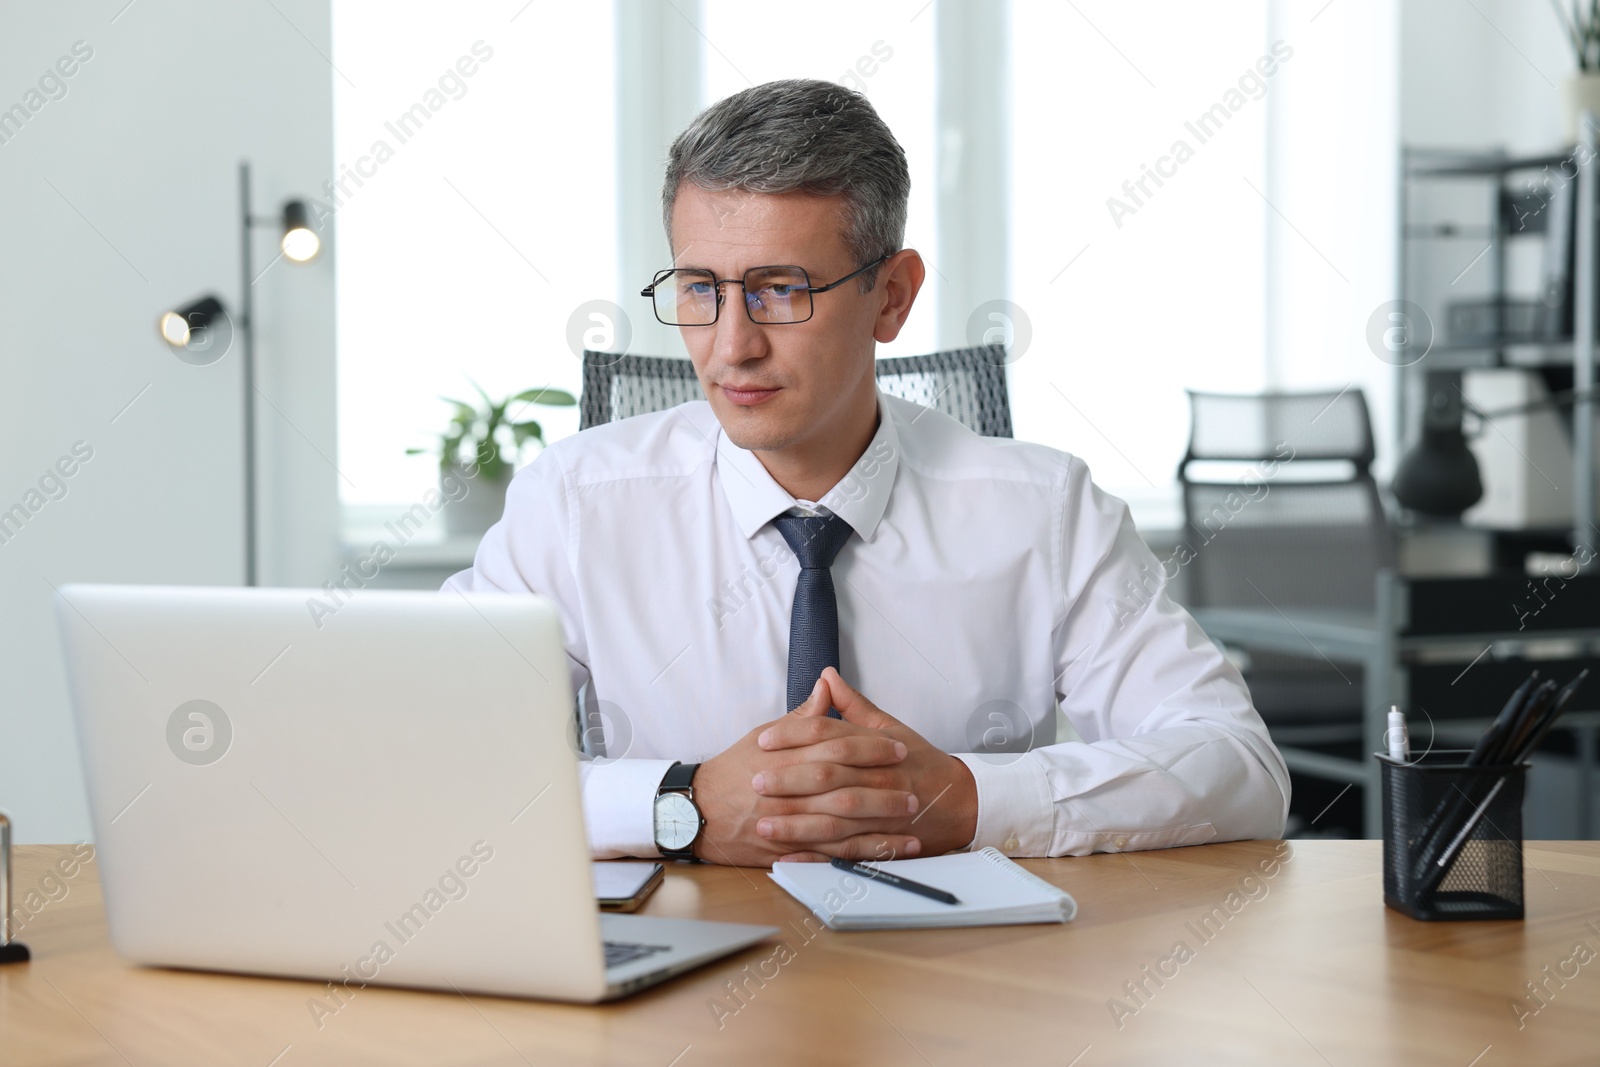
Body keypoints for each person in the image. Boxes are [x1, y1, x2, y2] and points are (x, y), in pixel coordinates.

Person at [445, 78, 1288, 867]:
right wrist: (683, 803)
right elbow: (437, 766)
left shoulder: (1046, 512)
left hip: (963, 994)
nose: (731, 343)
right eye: (700, 288)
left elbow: (1240, 768)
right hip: (675, 987)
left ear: (891, 295)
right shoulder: (572, 504)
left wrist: (967, 798)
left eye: (780, 289)